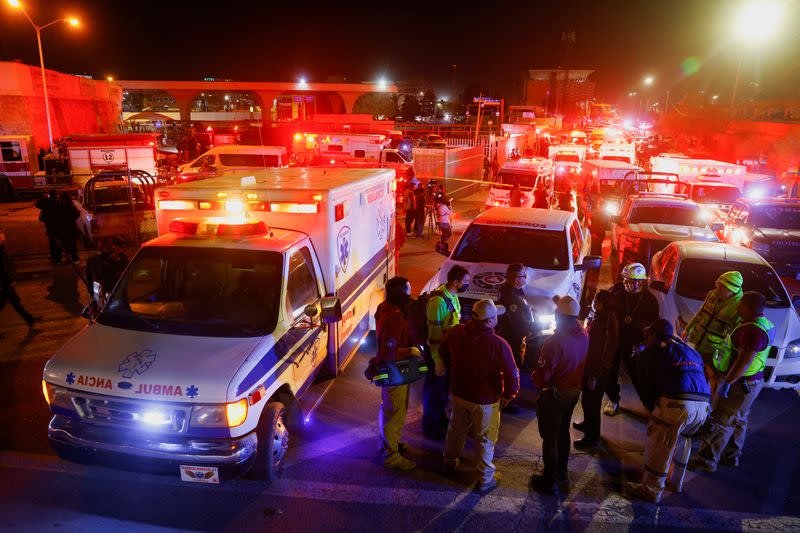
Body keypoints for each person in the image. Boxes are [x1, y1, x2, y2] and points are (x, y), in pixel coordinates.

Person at [624, 319, 710, 503]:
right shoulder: (689, 349)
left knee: (660, 445)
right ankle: (676, 482)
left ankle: (651, 490)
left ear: (653, 334)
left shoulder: (650, 352)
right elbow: (704, 376)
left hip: (677, 404)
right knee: (683, 439)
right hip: (702, 406)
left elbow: (644, 389)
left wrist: (653, 410)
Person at [689, 292, 775, 472]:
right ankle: (731, 456)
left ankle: (706, 461)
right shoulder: (765, 324)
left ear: (746, 307)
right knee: (739, 419)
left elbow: (744, 361)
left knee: (722, 420)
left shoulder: (752, 331)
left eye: (740, 305)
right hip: (751, 383)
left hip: (740, 383)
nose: (737, 308)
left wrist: (727, 382)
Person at [441, 299, 519, 493]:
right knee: (485, 438)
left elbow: (443, 350)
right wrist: (509, 394)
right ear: (489, 321)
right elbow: (512, 373)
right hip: (485, 401)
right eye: (495, 318)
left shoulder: (457, 332)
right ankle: (485, 478)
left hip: (459, 394)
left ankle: (449, 462)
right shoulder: (499, 344)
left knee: (456, 430)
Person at [531, 295, 589, 493]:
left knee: (550, 437)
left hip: (555, 394)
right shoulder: (584, 335)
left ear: (559, 316)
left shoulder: (554, 342)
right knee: (563, 431)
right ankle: (561, 473)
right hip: (574, 392)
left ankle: (548, 481)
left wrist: (535, 377)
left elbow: (541, 376)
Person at [375, 277, 421, 471]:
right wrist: (411, 351)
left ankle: (390, 442)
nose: (411, 291)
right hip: (395, 370)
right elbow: (389, 352)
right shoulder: (394, 315)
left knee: (389, 409)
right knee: (396, 412)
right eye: (409, 288)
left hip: (391, 370)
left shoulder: (384, 307)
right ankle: (391, 455)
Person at [605, 262, 660, 416]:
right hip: (616, 339)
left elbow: (652, 327)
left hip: (634, 343)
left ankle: (650, 405)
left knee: (639, 375)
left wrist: (643, 345)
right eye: (625, 280)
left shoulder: (649, 301)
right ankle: (613, 399)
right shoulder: (618, 293)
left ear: (641, 281)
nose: (627, 283)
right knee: (610, 371)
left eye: (631, 281)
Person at [423, 265, 470, 440]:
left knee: (442, 391)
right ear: (456, 282)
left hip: (447, 352)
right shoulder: (438, 302)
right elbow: (434, 336)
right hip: (438, 354)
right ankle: (430, 426)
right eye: (466, 281)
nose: (468, 284)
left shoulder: (453, 296)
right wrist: (438, 361)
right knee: (434, 392)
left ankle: (440, 419)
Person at [682, 271, 743, 394]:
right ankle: (695, 394)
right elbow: (701, 312)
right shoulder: (713, 294)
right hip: (697, 342)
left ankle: (709, 404)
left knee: (713, 379)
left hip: (715, 350)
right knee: (695, 371)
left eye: (721, 287)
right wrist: (688, 329)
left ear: (730, 290)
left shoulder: (740, 306)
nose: (717, 289)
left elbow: (735, 334)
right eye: (718, 285)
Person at [573, 289, 619, 449]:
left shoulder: (605, 322)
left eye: (596, 300)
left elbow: (603, 352)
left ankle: (592, 438)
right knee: (588, 401)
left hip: (597, 371)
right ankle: (588, 424)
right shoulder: (600, 317)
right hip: (593, 368)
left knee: (592, 402)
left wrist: (594, 375)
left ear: (603, 304)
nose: (594, 303)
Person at [0, 226, 42, 327]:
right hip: (4, 283)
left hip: (6, 282)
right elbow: (2, 269)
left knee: (15, 302)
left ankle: (29, 319)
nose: (3, 235)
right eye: (0, 233)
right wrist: (9, 281)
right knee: (8, 302)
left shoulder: (1, 249)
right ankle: (29, 319)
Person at [495, 263, 534, 370]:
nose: (526, 278)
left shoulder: (514, 289)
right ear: (516, 279)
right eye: (524, 276)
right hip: (512, 338)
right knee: (513, 365)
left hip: (512, 335)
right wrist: (538, 327)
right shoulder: (511, 296)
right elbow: (518, 322)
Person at [85, 236, 129, 312]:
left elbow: (128, 269)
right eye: (114, 247)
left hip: (120, 292)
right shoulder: (95, 260)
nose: (120, 249)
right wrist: (92, 295)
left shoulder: (121, 257)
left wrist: (118, 260)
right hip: (102, 294)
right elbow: (93, 278)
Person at [35, 189, 61, 264]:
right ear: (56, 194)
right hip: (58, 223)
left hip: (49, 223)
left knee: (52, 239)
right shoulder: (58, 201)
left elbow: (37, 204)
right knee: (59, 239)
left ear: (49, 194)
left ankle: (53, 255)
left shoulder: (46, 201)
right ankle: (58, 256)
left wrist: (43, 198)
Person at [54, 192, 80, 263]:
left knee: (61, 244)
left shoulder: (58, 206)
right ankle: (75, 258)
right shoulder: (71, 206)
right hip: (70, 227)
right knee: (72, 244)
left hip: (61, 228)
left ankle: (58, 259)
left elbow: (55, 217)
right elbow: (77, 214)